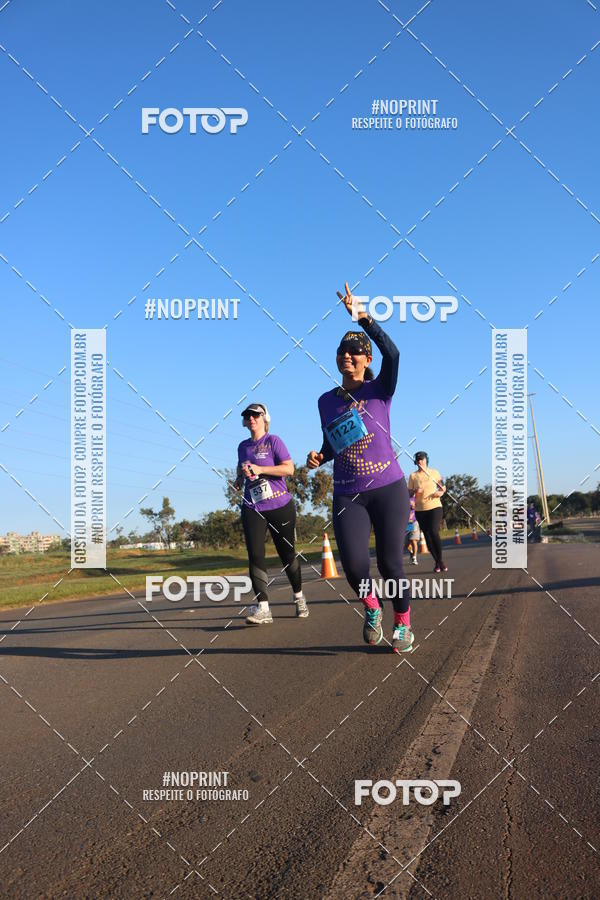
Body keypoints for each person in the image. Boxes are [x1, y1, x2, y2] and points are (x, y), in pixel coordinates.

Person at [307, 283, 413, 654]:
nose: (348, 357)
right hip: (348, 492)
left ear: (367, 359)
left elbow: (394, 353)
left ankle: (402, 622)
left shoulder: (380, 389)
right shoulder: (325, 402)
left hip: (388, 487)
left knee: (389, 564)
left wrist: (362, 317)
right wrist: (320, 456)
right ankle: (372, 608)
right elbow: (334, 441)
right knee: (353, 566)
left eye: (356, 352)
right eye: (342, 352)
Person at [234, 403, 308, 624]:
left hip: (279, 505)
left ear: (264, 418)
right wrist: (240, 479)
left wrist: (261, 469)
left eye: (256, 415)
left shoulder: (273, 441)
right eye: (248, 416)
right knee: (255, 555)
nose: (252, 418)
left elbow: (289, 469)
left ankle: (299, 597)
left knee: (287, 553)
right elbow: (241, 467)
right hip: (253, 507)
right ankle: (263, 608)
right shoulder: (242, 446)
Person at [408, 452, 447, 573]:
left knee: (433, 531)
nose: (420, 461)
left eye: (422, 459)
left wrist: (440, 493)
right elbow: (408, 494)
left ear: (426, 460)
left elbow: (443, 487)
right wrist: (414, 490)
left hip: (435, 506)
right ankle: (437, 562)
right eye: (418, 459)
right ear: (415, 462)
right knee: (427, 535)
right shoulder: (413, 476)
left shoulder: (434, 472)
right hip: (420, 510)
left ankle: (440, 560)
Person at [405, 495, 420, 565]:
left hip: (413, 522)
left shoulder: (414, 498)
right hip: (405, 524)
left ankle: (414, 557)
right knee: (406, 544)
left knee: (413, 540)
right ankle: (411, 553)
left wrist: (414, 505)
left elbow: (416, 507)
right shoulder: (401, 498)